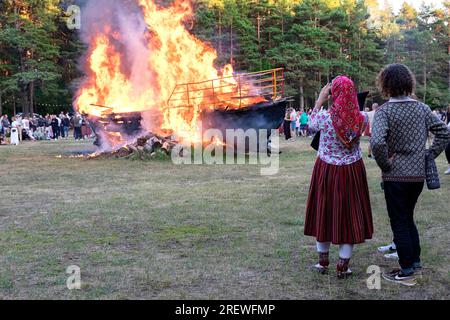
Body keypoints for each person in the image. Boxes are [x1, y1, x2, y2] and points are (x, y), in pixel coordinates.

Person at [371, 64, 450, 287]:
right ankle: (414, 263)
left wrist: (385, 163)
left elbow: (377, 142)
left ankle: (407, 272)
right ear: (408, 82)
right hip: (417, 176)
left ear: (385, 84)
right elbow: (444, 132)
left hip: (395, 176)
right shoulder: (423, 109)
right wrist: (429, 154)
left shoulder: (385, 111)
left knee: (400, 221)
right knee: (407, 218)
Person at [304, 76, 373, 278]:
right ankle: (343, 266)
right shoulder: (362, 118)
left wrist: (320, 99)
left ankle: (322, 261)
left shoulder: (324, 117)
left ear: (334, 94)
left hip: (326, 169)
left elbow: (311, 125)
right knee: (349, 215)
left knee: (323, 212)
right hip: (352, 170)